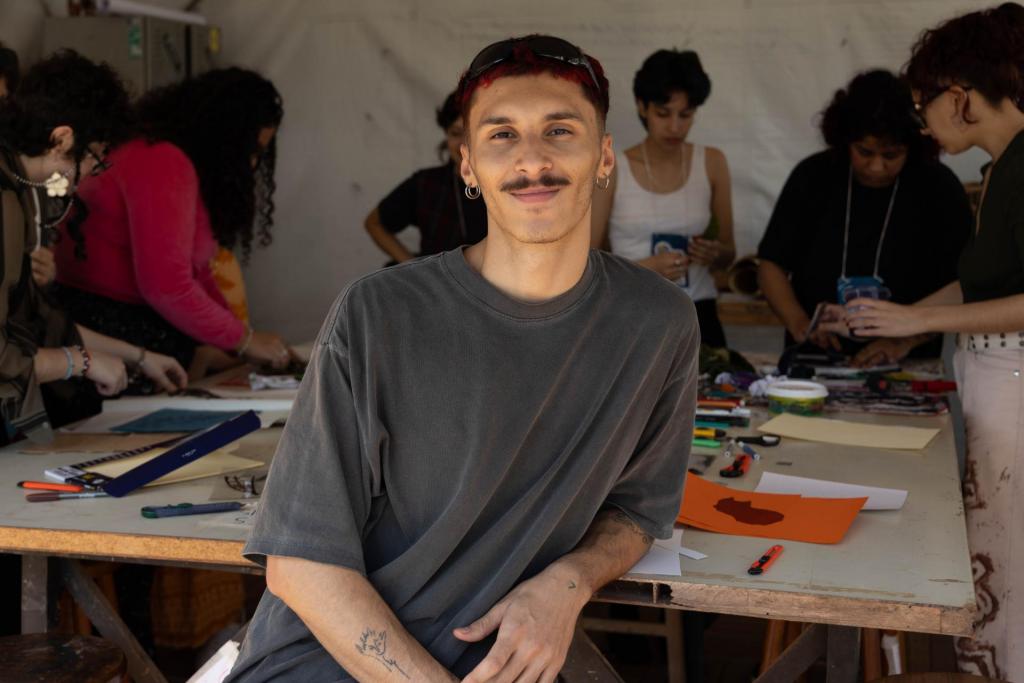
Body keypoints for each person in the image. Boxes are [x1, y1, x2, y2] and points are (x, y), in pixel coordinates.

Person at [226, 34, 698, 682]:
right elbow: (300, 563)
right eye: (502, 135)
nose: (533, 160)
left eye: (560, 130)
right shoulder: (376, 313)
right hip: (328, 660)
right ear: (468, 166)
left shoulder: (659, 322)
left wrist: (567, 582)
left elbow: (639, 511)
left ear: (605, 157)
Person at [822, 4, 1024, 679]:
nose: (922, 123)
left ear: (960, 98)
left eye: (923, 106)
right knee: (995, 558)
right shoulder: (997, 170)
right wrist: (896, 313)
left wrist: (915, 322)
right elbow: (977, 286)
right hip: (991, 383)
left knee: (1014, 565)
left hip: (1017, 391)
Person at [52, 68, 291, 373]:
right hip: (110, 327)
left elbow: (198, 274)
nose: (253, 164)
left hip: (115, 322)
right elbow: (167, 286)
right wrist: (243, 340)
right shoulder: (161, 161)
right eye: (251, 150)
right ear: (226, 139)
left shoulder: (168, 157)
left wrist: (237, 338)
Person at [0, 50, 186, 439]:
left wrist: (137, 357)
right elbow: (7, 357)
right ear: (62, 139)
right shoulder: (8, 201)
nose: (86, 176)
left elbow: (44, 324)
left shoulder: (21, 189)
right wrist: (79, 363)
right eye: (94, 157)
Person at [758, 69, 972, 367]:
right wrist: (799, 323)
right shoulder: (813, 176)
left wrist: (903, 340)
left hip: (906, 362)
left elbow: (964, 283)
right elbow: (771, 265)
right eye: (865, 152)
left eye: (891, 155)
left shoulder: (937, 186)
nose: (876, 167)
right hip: (816, 357)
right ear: (845, 141)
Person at [592, 48, 735, 348]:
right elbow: (588, 260)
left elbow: (729, 252)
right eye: (663, 113)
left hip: (698, 310)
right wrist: (646, 268)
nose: (674, 127)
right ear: (642, 107)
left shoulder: (712, 162)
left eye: (686, 115)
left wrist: (713, 253)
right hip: (633, 310)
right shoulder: (614, 168)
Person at [364, 91, 488, 263]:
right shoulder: (427, 184)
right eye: (455, 133)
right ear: (445, 135)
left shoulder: (508, 183)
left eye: (471, 133)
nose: (464, 144)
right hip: (439, 287)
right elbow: (375, 223)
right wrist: (414, 269)